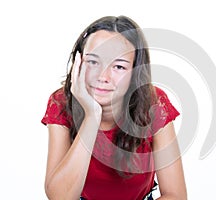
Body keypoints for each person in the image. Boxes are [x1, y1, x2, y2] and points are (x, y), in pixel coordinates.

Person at [41, 15, 187, 200]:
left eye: (118, 66)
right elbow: (59, 197)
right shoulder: (60, 102)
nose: (103, 76)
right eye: (93, 62)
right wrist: (92, 116)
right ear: (78, 63)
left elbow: (176, 194)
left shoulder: (154, 103)